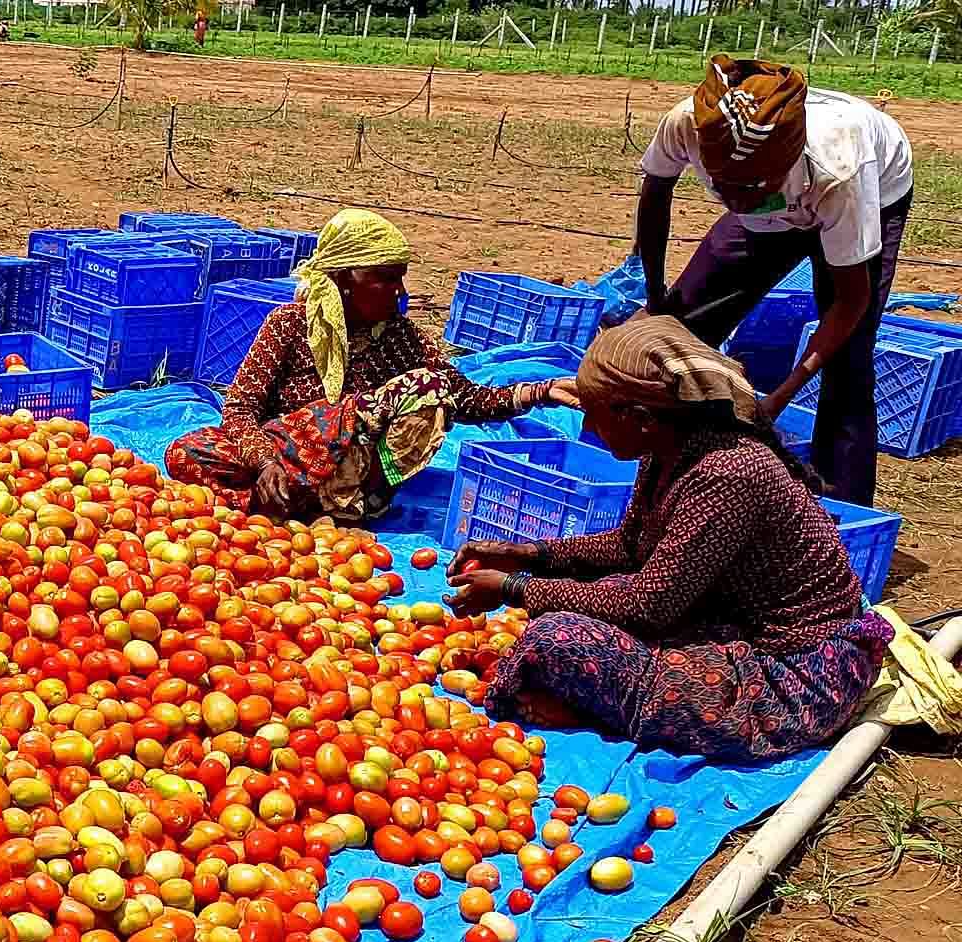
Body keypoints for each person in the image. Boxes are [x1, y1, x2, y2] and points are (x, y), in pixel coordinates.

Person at [447, 317, 893, 763]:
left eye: (593, 412)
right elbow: (630, 548)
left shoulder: (727, 475)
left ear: (639, 418)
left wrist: (515, 589)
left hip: (796, 671)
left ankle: (609, 711)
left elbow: (650, 604)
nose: (587, 423)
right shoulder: (668, 449)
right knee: (592, 599)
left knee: (556, 638)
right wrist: (528, 555)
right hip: (727, 618)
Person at [163, 210, 576, 521]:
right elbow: (240, 408)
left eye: (400, 278)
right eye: (385, 278)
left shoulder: (400, 335)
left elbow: (464, 397)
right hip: (286, 457)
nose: (399, 291)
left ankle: (336, 502)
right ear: (344, 279)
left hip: (355, 470)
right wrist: (265, 462)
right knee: (185, 453)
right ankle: (289, 501)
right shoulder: (290, 324)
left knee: (427, 387)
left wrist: (539, 392)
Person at [635, 55, 913, 505]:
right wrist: (655, 295)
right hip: (783, 208)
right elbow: (655, 196)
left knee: (847, 359)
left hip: (873, 191)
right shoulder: (691, 123)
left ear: (782, 166)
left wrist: (780, 396)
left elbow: (850, 301)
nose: (737, 200)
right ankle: (669, 466)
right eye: (724, 187)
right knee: (679, 326)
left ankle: (838, 508)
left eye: (753, 190)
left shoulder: (839, 172)